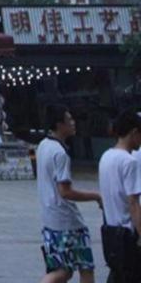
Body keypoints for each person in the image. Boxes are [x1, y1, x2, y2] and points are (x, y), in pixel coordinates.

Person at [36, 104, 102, 283]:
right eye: (69, 119)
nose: (73, 123)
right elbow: (65, 191)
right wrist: (96, 196)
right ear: (59, 124)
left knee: (63, 271)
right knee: (86, 267)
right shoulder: (60, 153)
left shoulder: (43, 145)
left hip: (50, 219)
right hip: (67, 221)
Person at [97, 108, 141, 282]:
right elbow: (133, 203)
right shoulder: (129, 161)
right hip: (128, 235)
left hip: (111, 232)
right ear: (134, 132)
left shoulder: (106, 156)